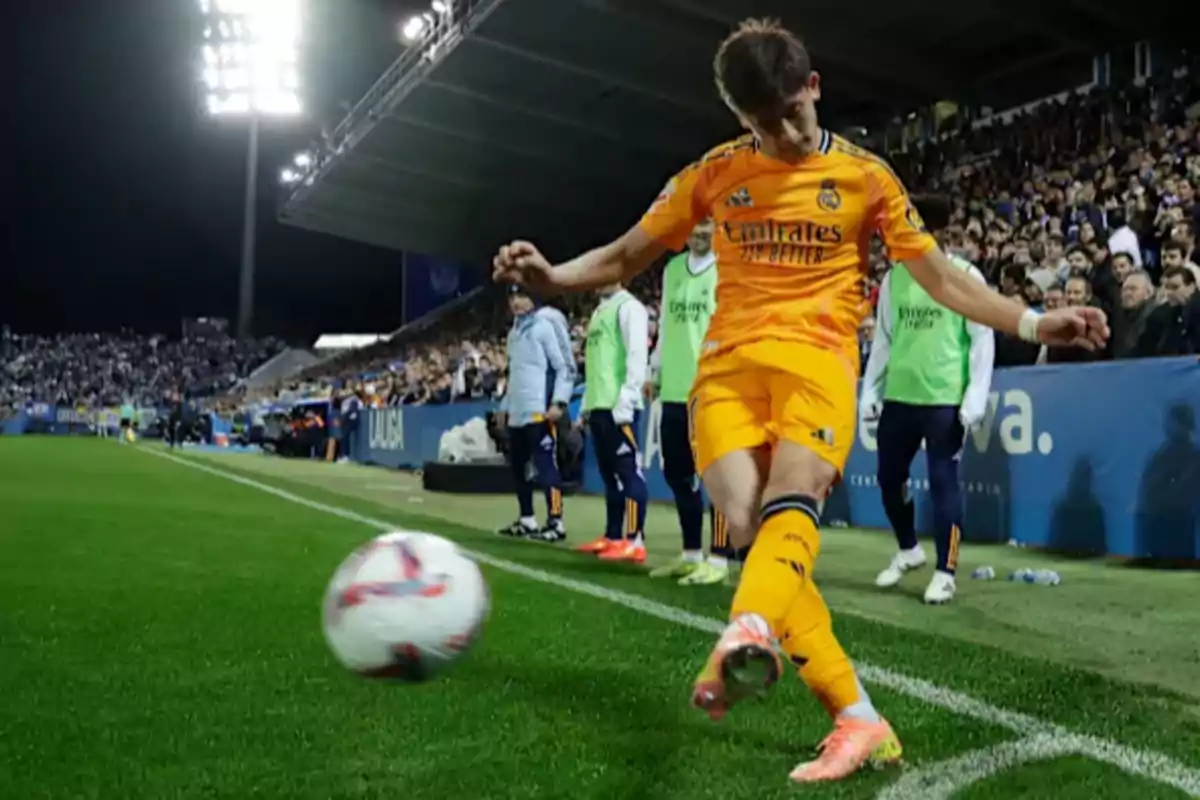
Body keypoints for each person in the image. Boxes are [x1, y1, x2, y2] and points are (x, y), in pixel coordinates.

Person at [492, 18, 1107, 783]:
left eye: (795, 112)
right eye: (765, 123)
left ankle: (746, 632)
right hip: (725, 374)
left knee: (795, 498)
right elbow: (625, 254)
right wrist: (551, 277)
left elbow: (940, 278)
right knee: (755, 533)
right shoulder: (713, 174)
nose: (785, 133)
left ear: (814, 87)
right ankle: (858, 719)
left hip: (818, 362)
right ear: (739, 120)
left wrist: (1031, 320)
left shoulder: (867, 177)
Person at [859, 196, 995, 605]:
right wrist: (870, 389)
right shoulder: (895, 280)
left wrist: (974, 398)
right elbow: (883, 339)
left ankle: (945, 571)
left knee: (942, 483)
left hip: (944, 400)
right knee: (888, 479)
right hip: (900, 397)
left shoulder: (965, 275)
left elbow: (982, 338)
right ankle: (908, 549)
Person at [645, 217, 736, 585]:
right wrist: (655, 370)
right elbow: (667, 325)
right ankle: (690, 553)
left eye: (707, 225)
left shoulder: (727, 269)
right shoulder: (671, 271)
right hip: (674, 389)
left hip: (712, 389)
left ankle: (719, 558)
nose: (700, 232)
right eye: (695, 225)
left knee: (716, 477)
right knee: (678, 474)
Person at [573, 282, 651, 563]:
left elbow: (636, 356)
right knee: (611, 477)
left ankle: (635, 539)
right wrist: (585, 406)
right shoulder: (598, 313)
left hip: (620, 408)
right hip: (599, 405)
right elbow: (595, 364)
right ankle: (613, 535)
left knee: (629, 472)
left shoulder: (629, 307)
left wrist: (627, 398)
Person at [495, 286, 575, 541]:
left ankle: (556, 522)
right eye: (513, 297)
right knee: (519, 467)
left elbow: (565, 367)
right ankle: (527, 518)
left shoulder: (545, 325)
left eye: (522, 296)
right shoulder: (514, 333)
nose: (517, 302)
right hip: (518, 412)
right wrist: (505, 406)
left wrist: (559, 402)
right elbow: (514, 373)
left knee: (546, 466)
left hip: (540, 412)